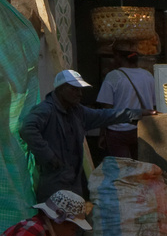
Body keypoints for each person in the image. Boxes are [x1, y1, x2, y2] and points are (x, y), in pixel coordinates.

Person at [20, 70, 137, 204]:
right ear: (61, 89)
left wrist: (135, 114)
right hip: (54, 179)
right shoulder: (46, 110)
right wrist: (48, 155)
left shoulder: (77, 111)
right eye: (74, 89)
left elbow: (105, 115)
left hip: (73, 179)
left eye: (80, 90)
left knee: (73, 218)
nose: (79, 94)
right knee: (54, 219)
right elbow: (27, 129)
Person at [96, 49, 157, 159]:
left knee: (122, 169)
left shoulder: (113, 76)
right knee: (141, 167)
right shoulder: (148, 75)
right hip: (142, 130)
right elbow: (154, 103)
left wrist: (102, 134)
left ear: (119, 58)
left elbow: (106, 110)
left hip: (117, 132)